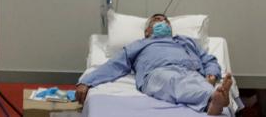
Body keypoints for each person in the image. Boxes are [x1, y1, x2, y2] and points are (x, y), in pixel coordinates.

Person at [75, 13, 234, 114]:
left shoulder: (185, 42)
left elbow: (208, 59)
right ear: (147, 32)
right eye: (156, 20)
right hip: (157, 73)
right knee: (171, 81)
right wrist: (86, 82)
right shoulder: (139, 44)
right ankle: (212, 97)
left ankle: (213, 102)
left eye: (165, 21)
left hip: (190, 72)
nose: (162, 21)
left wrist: (212, 75)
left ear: (170, 29)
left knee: (194, 81)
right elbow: (114, 65)